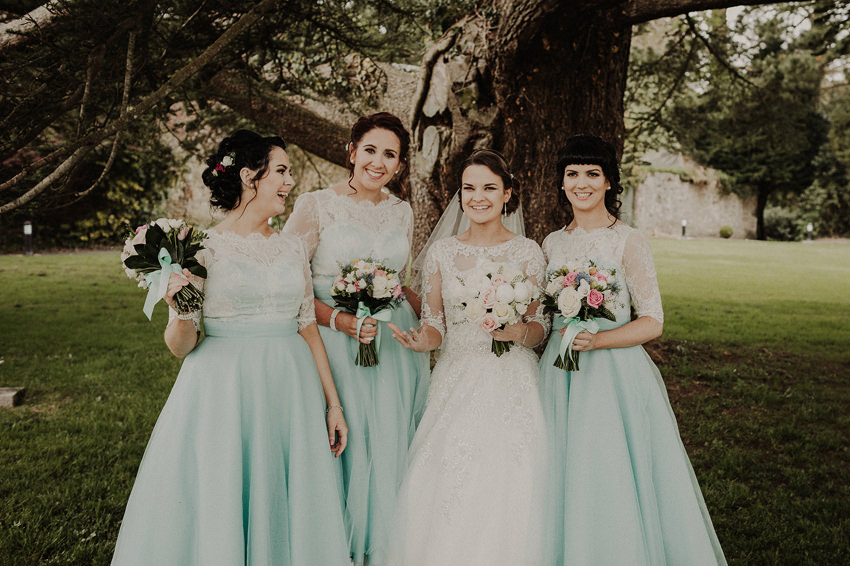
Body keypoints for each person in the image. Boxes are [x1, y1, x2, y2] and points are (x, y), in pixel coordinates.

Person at [111, 130, 350, 566]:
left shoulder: (293, 247)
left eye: (290, 172)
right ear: (248, 176)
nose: (289, 181)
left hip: (289, 387)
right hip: (223, 389)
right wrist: (180, 306)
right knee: (225, 492)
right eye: (281, 171)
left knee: (285, 493)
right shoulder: (201, 248)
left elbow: (307, 328)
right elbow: (180, 347)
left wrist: (333, 405)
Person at [538, 134, 727, 565]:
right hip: (558, 372)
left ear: (609, 182)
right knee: (563, 471)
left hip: (612, 378)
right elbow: (545, 318)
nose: (581, 183)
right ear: (561, 183)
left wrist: (599, 339)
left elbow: (653, 320)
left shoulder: (628, 241)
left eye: (592, 174)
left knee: (609, 470)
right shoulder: (551, 243)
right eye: (572, 174)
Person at [386, 149, 547, 566]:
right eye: (469, 188)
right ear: (460, 195)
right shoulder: (441, 253)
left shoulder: (528, 253)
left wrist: (516, 332)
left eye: (489, 188)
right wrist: (424, 342)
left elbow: (539, 327)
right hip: (456, 377)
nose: (478, 197)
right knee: (448, 478)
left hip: (512, 379)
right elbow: (435, 322)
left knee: (511, 480)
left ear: (507, 194)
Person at [282, 112, 429, 566]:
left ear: (400, 164)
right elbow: (290, 282)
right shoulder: (315, 204)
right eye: (370, 150)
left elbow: (400, 282)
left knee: (387, 439)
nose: (379, 162)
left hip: (393, 344)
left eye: (390, 155)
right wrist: (339, 320)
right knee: (343, 439)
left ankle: (382, 546)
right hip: (333, 341)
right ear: (351, 151)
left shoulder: (401, 210)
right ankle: (330, 545)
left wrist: (440, 319)